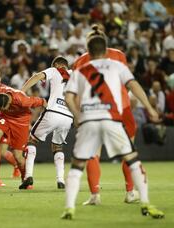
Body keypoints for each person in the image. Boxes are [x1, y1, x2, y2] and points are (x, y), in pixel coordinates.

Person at [61, 34, 164, 220]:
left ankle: (72, 206)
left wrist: (77, 116)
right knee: (133, 159)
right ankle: (143, 200)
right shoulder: (117, 64)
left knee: (78, 165)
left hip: (89, 120)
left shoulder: (80, 68)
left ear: (88, 50)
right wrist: (149, 108)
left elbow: (69, 97)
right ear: (106, 48)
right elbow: (134, 86)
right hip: (113, 118)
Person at [73, 24, 138, 205]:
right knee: (129, 152)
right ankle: (130, 193)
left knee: (93, 153)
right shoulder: (119, 55)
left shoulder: (81, 61)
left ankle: (95, 195)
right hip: (121, 108)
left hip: (93, 111)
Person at [20, 56, 73, 190]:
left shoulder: (55, 70)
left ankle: (28, 176)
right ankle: (61, 180)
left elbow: (37, 76)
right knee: (58, 147)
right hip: (68, 116)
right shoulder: (75, 74)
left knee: (32, 140)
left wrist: (21, 92)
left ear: (56, 64)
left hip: (53, 111)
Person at [0, 80, 47, 185]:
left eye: (3, 108)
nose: (1, 110)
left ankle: (25, 179)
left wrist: (48, 116)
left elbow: (43, 101)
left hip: (21, 122)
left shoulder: (23, 100)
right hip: (5, 118)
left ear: (9, 103)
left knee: (18, 156)